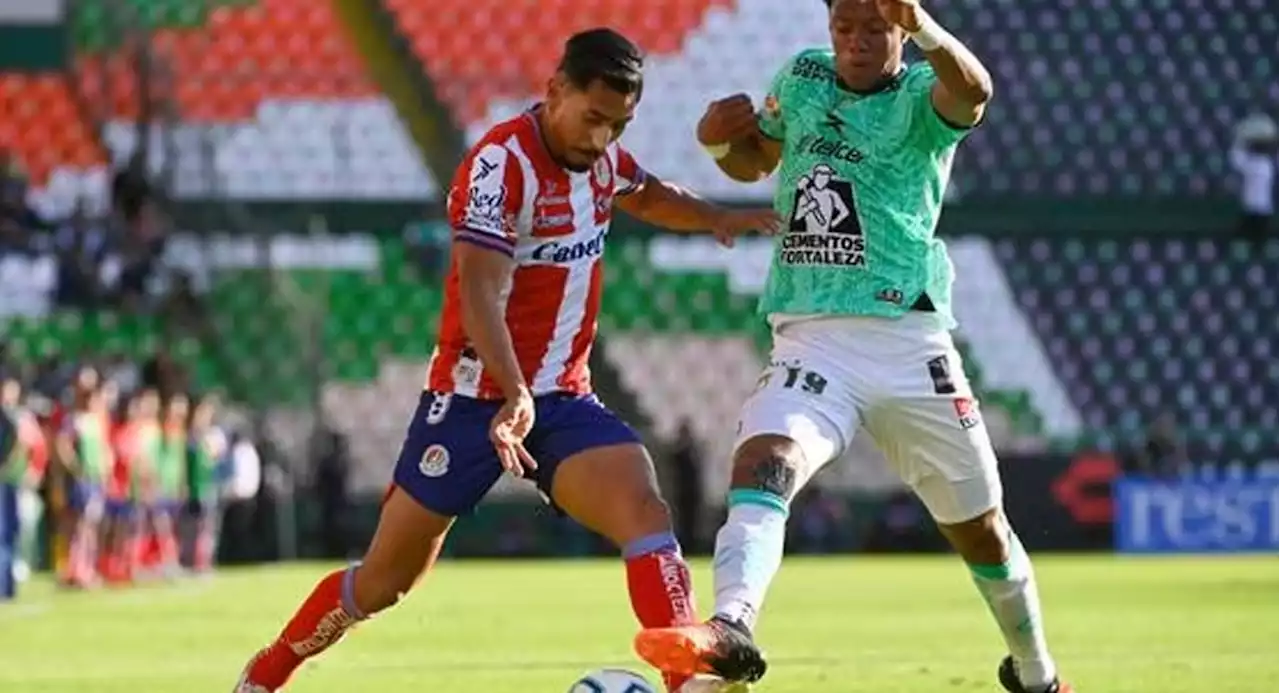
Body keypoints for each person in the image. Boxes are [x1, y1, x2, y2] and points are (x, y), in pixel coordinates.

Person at [233, 27, 779, 693]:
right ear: (555, 90)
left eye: (619, 124)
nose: (604, 137)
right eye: (594, 118)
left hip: (562, 398)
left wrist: (717, 218)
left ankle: (684, 677)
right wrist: (513, 391)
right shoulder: (499, 166)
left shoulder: (602, 160)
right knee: (384, 582)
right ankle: (266, 673)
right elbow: (480, 289)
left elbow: (647, 192)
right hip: (470, 400)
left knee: (643, 506)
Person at [634, 2, 1074, 693]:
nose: (857, 43)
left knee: (982, 530)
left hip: (909, 341)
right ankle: (731, 628)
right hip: (812, 337)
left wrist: (926, 25)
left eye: (876, 29)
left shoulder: (921, 96)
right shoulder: (803, 78)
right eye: (846, 28)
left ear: (901, 30)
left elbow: (976, 93)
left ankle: (1036, 672)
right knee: (763, 460)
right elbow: (757, 163)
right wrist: (720, 142)